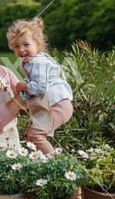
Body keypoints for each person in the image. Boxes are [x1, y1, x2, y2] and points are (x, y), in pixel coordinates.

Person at [6, 18, 73, 155]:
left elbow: (40, 87)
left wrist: (22, 86)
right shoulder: (29, 62)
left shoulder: (38, 62)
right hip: (52, 103)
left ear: (37, 45)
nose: (21, 49)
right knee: (31, 135)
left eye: (26, 44)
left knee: (36, 135)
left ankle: (55, 164)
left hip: (57, 104)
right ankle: (40, 161)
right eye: (16, 46)